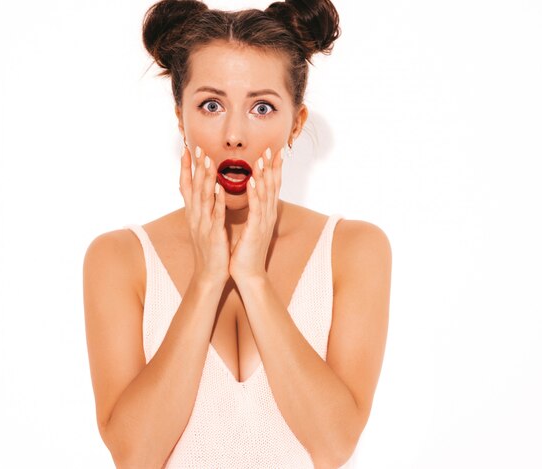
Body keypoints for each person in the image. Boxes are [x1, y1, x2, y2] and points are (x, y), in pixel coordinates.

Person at [82, 0, 392, 467]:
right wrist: (207, 277)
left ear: (296, 123)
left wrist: (252, 276)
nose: (234, 135)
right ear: (179, 118)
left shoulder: (353, 250)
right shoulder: (119, 258)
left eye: (262, 107)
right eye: (211, 105)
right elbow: (134, 454)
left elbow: (333, 446)